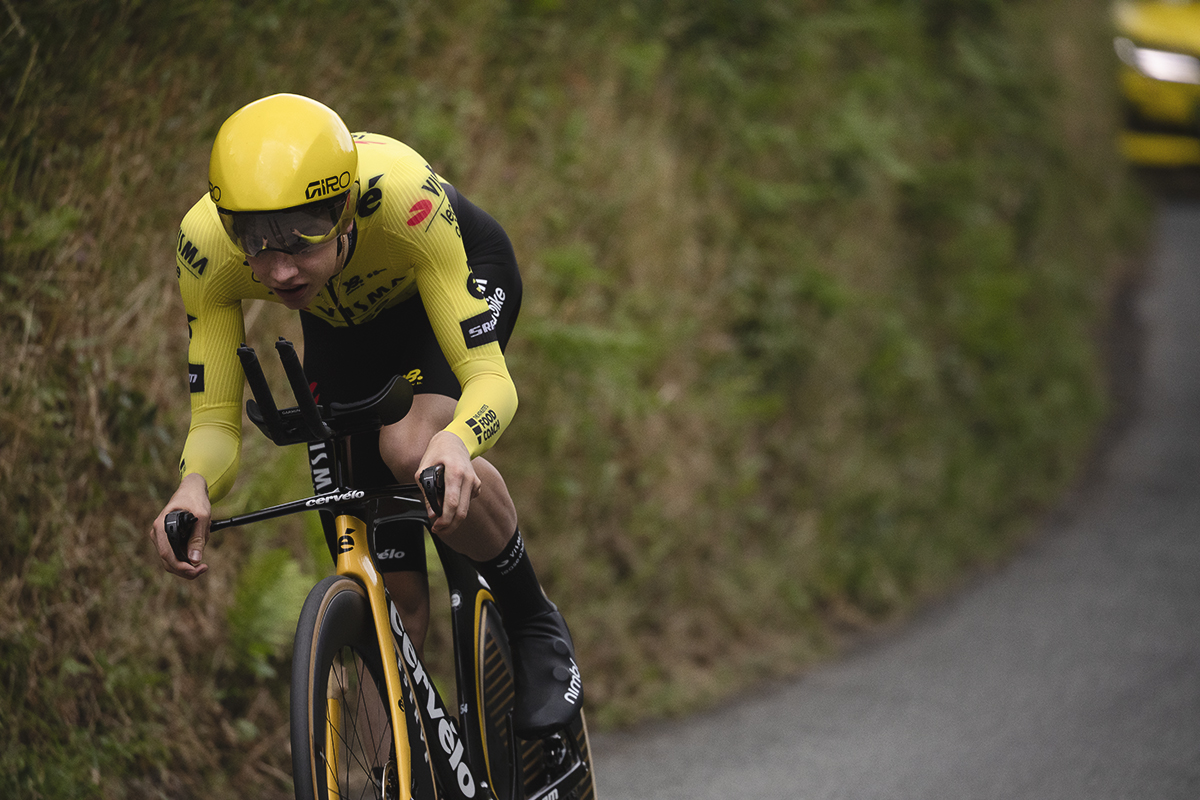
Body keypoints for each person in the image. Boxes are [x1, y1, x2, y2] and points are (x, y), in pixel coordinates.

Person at [148, 92, 582, 738]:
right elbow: (214, 418)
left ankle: (532, 620)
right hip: (340, 324)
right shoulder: (208, 248)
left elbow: (489, 380)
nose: (279, 268)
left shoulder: (402, 197)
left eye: (301, 237)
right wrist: (192, 487)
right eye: (256, 245)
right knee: (391, 598)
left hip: (445, 290)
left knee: (410, 450)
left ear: (346, 208)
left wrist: (458, 440)